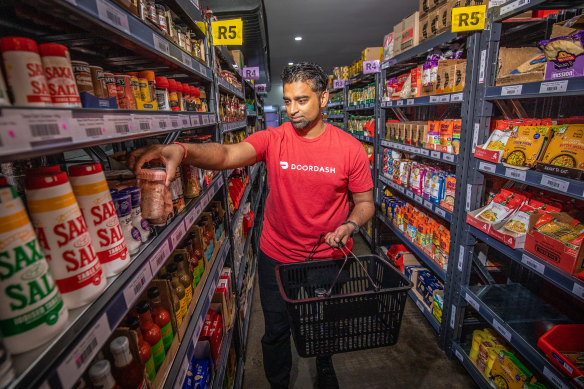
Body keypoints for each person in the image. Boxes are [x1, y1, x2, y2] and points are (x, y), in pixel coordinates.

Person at [129, 62, 374, 389]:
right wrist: (183, 150)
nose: (292, 109)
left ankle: (324, 365)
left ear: (324, 98)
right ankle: (279, 382)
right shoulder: (274, 139)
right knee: (275, 331)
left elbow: (366, 203)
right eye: (287, 101)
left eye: (301, 100)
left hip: (327, 259)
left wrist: (350, 226)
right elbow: (227, 153)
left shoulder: (350, 149)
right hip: (277, 255)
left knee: (323, 324)